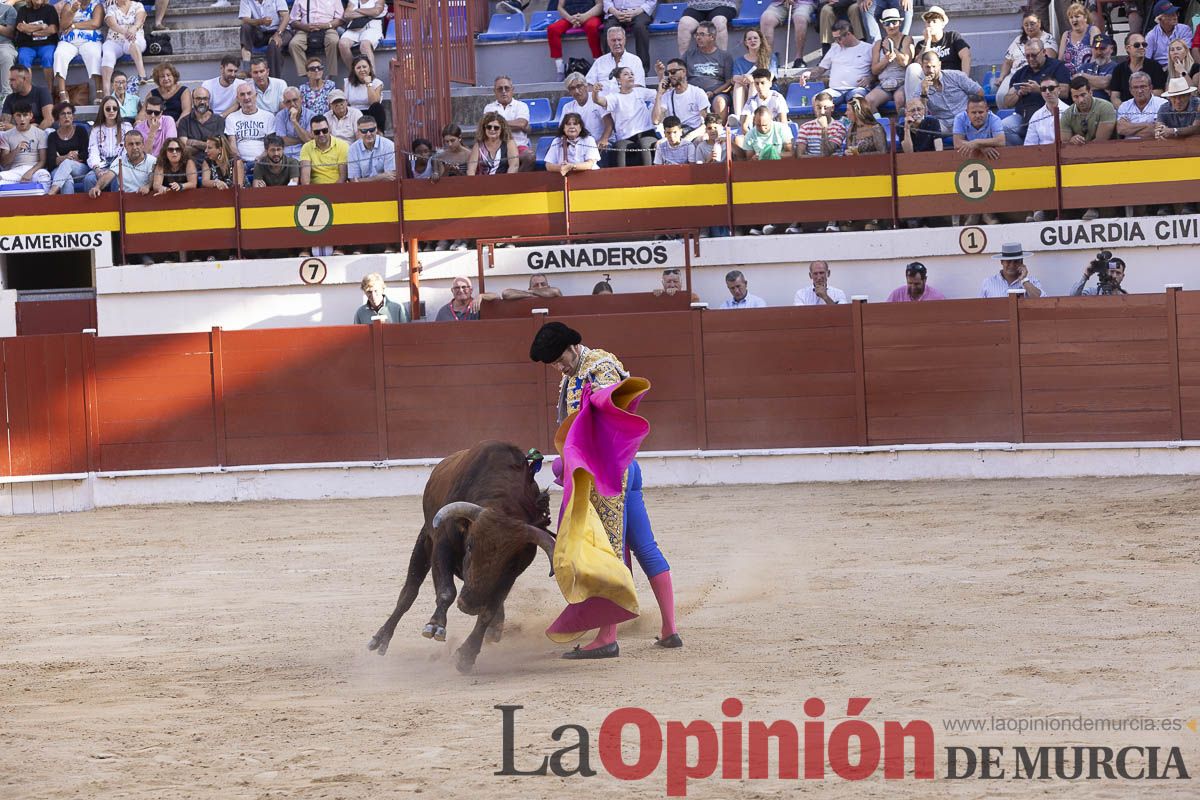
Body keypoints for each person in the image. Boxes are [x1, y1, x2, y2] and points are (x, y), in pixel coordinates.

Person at [528, 320, 681, 659]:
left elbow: (613, 409)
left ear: (572, 347)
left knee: (607, 551)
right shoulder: (571, 378)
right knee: (643, 546)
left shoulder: (600, 365)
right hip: (619, 470)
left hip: (611, 474)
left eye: (559, 359)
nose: (558, 367)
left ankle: (608, 637)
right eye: (552, 363)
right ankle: (669, 630)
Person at [1002, 39, 1070, 146]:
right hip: (1023, 115)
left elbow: (1066, 91)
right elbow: (1007, 102)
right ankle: (1023, 151)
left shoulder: (1057, 66)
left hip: (1050, 113)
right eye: (1027, 56)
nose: (1030, 59)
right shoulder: (1021, 73)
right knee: (1003, 127)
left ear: (1043, 52)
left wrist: (1039, 89)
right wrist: (1018, 93)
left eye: (1034, 55)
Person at [905, 6, 970, 105]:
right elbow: (918, 66)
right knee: (912, 68)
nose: (930, 24)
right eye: (928, 22)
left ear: (942, 24)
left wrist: (964, 80)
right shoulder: (921, 44)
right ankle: (913, 107)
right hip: (929, 83)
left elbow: (966, 56)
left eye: (934, 21)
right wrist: (927, 41)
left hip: (950, 80)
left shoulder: (952, 37)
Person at [593, 66, 657, 166]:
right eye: (626, 74)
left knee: (644, 144)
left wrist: (661, 75)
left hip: (646, 133)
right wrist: (595, 93)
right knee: (619, 147)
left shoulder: (640, 91)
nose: (630, 76)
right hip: (626, 137)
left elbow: (660, 95)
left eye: (632, 74)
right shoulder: (615, 97)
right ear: (619, 80)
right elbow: (599, 101)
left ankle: (648, 177)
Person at [800, 20, 874, 104]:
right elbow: (821, 68)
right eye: (834, 39)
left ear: (849, 34)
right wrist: (809, 74)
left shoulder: (868, 48)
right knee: (817, 100)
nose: (837, 41)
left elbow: (878, 71)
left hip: (857, 89)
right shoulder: (834, 48)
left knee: (857, 100)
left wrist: (870, 78)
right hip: (835, 90)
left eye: (839, 38)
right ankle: (823, 118)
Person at [996, 11, 1058, 102]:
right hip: (1014, 74)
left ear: (1039, 23)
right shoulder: (1018, 39)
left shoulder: (1048, 39)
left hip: (1033, 74)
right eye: (1026, 25)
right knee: (1001, 96)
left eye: (1032, 24)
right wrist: (1001, 77)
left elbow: (1048, 59)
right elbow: (1007, 61)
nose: (1029, 27)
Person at [52, 0, 104, 104]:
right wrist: (72, 11)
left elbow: (95, 23)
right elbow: (63, 25)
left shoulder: (96, 4)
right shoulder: (69, 4)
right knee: (59, 54)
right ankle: (62, 92)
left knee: (94, 54)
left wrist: (74, 26)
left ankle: (99, 91)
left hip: (90, 40)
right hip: (68, 41)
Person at [918, 50, 982, 133]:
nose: (931, 70)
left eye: (934, 66)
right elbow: (921, 114)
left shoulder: (956, 76)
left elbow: (979, 92)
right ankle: (938, 146)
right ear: (922, 67)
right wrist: (923, 93)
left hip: (965, 118)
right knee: (925, 129)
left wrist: (974, 112)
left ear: (939, 65)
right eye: (927, 67)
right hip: (943, 124)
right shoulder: (920, 87)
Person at [865, 8, 913, 113]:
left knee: (900, 99)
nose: (891, 26)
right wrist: (885, 60)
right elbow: (874, 70)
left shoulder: (907, 39)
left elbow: (905, 62)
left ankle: (902, 127)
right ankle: (881, 126)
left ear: (900, 23)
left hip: (902, 82)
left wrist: (892, 48)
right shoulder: (878, 43)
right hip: (884, 84)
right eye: (887, 23)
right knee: (868, 101)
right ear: (883, 25)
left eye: (894, 22)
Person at [683, 21, 734, 117]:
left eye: (702, 34)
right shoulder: (688, 55)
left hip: (716, 94)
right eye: (697, 34)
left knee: (719, 101)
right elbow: (680, 75)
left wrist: (713, 93)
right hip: (693, 94)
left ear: (712, 37)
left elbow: (728, 82)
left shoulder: (725, 56)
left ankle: (719, 130)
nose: (698, 37)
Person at [483, 76, 534, 171]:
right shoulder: (489, 108)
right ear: (494, 91)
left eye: (506, 88)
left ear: (512, 90)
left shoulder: (521, 106)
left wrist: (498, 123)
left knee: (529, 157)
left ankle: (518, 182)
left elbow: (522, 123)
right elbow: (490, 127)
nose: (503, 91)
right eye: (499, 89)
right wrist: (516, 125)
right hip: (496, 147)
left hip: (519, 146)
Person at [562, 72, 613, 161]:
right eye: (572, 88)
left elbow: (609, 123)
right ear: (569, 91)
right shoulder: (567, 107)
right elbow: (563, 130)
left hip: (602, 142)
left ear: (586, 86)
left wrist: (603, 139)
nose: (577, 91)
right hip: (581, 145)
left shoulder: (597, 99)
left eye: (579, 86)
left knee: (603, 151)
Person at [83, 94, 128, 194]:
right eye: (108, 109)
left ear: (118, 110)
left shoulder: (126, 127)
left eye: (114, 108)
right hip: (101, 165)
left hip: (120, 165)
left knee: (116, 178)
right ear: (102, 110)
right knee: (88, 179)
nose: (111, 111)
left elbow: (126, 152)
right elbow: (93, 152)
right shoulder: (95, 130)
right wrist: (97, 169)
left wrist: (113, 169)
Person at [284, 0, 342, 78]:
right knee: (294, 44)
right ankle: (307, 75)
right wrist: (304, 26)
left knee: (334, 41)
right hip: (305, 29)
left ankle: (330, 75)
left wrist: (326, 25)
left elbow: (340, 19)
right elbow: (293, 21)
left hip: (328, 28)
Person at [0, 101, 51, 190]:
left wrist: (30, 172)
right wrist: (16, 150)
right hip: (15, 171)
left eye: (25, 115)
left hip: (35, 169)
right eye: (18, 115)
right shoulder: (6, 135)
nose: (22, 119)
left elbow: (43, 161)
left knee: (44, 177)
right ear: (14, 117)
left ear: (31, 115)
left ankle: (43, 203)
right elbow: (4, 163)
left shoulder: (40, 134)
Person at [99, 0, 145, 97]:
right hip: (115, 39)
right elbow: (112, 24)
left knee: (133, 43)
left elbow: (140, 20)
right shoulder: (111, 7)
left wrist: (134, 29)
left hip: (134, 37)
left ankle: (142, 76)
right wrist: (126, 31)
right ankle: (106, 93)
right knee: (107, 52)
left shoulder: (137, 5)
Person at [548, 0, 603, 81]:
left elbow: (600, 5)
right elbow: (560, 7)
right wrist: (570, 18)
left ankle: (597, 63)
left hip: (590, 15)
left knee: (591, 27)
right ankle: (560, 69)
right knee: (552, 29)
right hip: (571, 17)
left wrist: (584, 16)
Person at [225, 81, 274, 170]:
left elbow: (271, 144)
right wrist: (240, 161)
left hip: (264, 161)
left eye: (249, 93)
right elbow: (232, 144)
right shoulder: (231, 118)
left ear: (256, 95)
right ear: (237, 99)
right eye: (242, 94)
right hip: (241, 163)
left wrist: (260, 159)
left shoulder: (269, 117)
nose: (246, 97)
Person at [652, 58, 709, 133]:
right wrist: (659, 94)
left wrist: (689, 137)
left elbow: (707, 122)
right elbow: (656, 120)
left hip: (695, 134)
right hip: (676, 135)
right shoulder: (667, 95)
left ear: (684, 72)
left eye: (673, 72)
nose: (670, 76)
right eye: (667, 73)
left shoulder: (697, 92)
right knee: (658, 144)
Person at [1110, 32, 1167, 105]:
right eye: (1137, 45)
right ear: (1128, 48)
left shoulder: (1155, 67)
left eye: (1144, 44)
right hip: (1125, 112)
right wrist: (1124, 110)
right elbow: (1115, 96)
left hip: (1150, 111)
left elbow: (1158, 93)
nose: (1141, 47)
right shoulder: (1119, 69)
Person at [44, 100, 89, 194]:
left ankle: (51, 192)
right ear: (57, 118)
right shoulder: (52, 136)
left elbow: (86, 154)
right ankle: (70, 208)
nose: (66, 116)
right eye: (63, 114)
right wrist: (66, 157)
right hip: (58, 170)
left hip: (79, 169)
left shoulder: (81, 131)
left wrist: (69, 158)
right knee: (67, 179)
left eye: (69, 113)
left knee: (68, 163)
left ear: (73, 116)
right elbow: (51, 162)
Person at [585, 25, 646, 93]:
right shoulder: (599, 61)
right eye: (613, 40)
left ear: (624, 40)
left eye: (619, 40)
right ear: (608, 42)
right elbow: (588, 84)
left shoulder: (635, 60)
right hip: (603, 101)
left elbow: (639, 86)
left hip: (628, 101)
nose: (617, 43)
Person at [731, 29, 777, 116]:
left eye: (755, 38)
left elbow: (771, 76)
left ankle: (751, 114)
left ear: (760, 41)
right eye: (749, 39)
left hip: (765, 88)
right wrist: (745, 77)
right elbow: (734, 77)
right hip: (745, 89)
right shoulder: (739, 61)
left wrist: (753, 78)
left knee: (754, 83)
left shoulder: (770, 57)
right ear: (745, 43)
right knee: (738, 84)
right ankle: (739, 117)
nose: (752, 41)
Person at [14, 0, 58, 91]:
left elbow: (53, 29)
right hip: (27, 45)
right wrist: (41, 26)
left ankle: (49, 91)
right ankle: (28, 91)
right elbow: (20, 27)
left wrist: (31, 32)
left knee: (48, 57)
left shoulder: (50, 9)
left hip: (47, 44)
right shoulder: (23, 10)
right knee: (23, 58)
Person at [237, 0, 287, 77]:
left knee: (274, 44)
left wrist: (278, 34)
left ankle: (274, 79)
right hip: (260, 31)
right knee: (245, 27)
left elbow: (286, 17)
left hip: (279, 30)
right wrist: (260, 21)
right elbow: (245, 19)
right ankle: (246, 68)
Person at [177, 86, 224, 166]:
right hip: (190, 165)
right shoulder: (184, 121)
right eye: (198, 99)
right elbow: (184, 149)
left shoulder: (219, 120)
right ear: (193, 100)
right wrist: (209, 146)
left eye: (205, 99)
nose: (202, 102)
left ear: (209, 101)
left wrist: (194, 142)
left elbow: (220, 148)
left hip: (214, 165)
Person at [337, 0, 386, 75]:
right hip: (355, 27)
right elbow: (347, 15)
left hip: (372, 27)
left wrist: (358, 10)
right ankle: (355, 76)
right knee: (342, 44)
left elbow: (376, 11)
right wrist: (368, 13)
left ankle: (371, 78)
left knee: (365, 44)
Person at [602, 0, 653, 72]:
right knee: (609, 29)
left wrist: (634, 13)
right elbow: (607, 1)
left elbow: (651, 1)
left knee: (640, 28)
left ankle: (642, 70)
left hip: (639, 12)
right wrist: (616, 13)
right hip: (616, 12)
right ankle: (610, 70)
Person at [979, 242, 1045, 298]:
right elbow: (980, 307)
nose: (1012, 265)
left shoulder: (1033, 281)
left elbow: (1042, 301)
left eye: (1016, 261)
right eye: (1008, 261)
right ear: (1002, 262)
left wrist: (1024, 280)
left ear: (1021, 263)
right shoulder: (988, 283)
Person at [760, 0, 814, 66]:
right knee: (766, 19)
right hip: (779, 3)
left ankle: (799, 58)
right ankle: (767, 59)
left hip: (803, 3)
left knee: (800, 18)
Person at [1117, 71, 1167, 139]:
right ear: (1130, 90)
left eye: (1143, 86)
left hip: (1154, 146)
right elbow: (1121, 129)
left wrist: (1130, 127)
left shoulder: (1162, 104)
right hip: (1129, 147)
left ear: (1151, 88)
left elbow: (1158, 131)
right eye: (1135, 87)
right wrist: (1148, 125)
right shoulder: (1124, 106)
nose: (1139, 91)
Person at [466, 111, 519, 175]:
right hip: (482, 182)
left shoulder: (509, 143)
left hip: (503, 181)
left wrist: (506, 182)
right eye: (489, 127)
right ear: (484, 128)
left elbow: (514, 166)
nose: (492, 130)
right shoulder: (478, 145)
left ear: (502, 129)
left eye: (496, 128)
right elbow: (471, 169)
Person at [299, 114, 347, 184]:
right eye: (317, 132)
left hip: (337, 189)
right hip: (315, 192)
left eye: (324, 130)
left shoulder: (342, 145)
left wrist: (330, 193)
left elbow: (343, 177)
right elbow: (305, 178)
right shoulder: (306, 147)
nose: (321, 134)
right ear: (311, 133)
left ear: (329, 129)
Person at [1145, 0, 1192, 68]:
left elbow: (1186, 53)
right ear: (1159, 18)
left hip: (1182, 66)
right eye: (1170, 14)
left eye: (1176, 13)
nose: (1175, 16)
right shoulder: (1151, 35)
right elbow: (1147, 59)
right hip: (1160, 70)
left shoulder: (1184, 29)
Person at [347, 114, 395, 180]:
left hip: (385, 188)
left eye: (372, 130)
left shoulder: (389, 145)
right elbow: (354, 181)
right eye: (364, 131)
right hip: (361, 189)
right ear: (358, 132)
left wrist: (363, 180)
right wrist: (379, 177)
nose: (368, 134)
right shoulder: (353, 149)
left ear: (376, 129)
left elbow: (391, 177)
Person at [345, 54, 385, 133]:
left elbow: (374, 102)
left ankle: (378, 133)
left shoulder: (377, 83)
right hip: (354, 114)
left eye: (364, 67)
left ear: (369, 68)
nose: (362, 70)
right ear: (354, 70)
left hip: (371, 114)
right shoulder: (347, 83)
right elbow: (345, 103)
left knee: (377, 107)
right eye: (358, 68)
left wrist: (368, 84)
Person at [1058, 2, 1100, 76]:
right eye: (1071, 17)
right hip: (1068, 78)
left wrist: (1084, 74)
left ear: (1085, 18)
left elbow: (1096, 54)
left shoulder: (1093, 30)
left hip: (1089, 76)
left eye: (1077, 16)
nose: (1074, 20)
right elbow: (1060, 60)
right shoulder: (1066, 35)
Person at [274, 86, 312, 159]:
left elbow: (308, 140)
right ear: (284, 103)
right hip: (285, 154)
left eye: (295, 100)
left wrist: (294, 121)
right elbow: (282, 140)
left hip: (304, 153)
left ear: (301, 99)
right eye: (288, 101)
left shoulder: (311, 115)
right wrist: (301, 139)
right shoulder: (280, 115)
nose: (292, 104)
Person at [1080, 33, 1117, 102]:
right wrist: (1101, 87)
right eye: (1096, 48)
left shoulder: (1115, 67)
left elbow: (1105, 82)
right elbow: (1077, 86)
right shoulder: (1084, 67)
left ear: (1111, 49)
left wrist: (1082, 75)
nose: (1099, 52)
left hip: (1106, 107)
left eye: (1102, 48)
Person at [116, 127, 154, 193]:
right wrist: (98, 186)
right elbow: (109, 175)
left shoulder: (152, 160)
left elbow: (155, 178)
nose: (134, 147)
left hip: (146, 198)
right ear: (125, 146)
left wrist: (148, 186)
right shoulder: (119, 160)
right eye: (131, 144)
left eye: (137, 143)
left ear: (143, 144)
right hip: (126, 198)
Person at [0, 5, 16, 109]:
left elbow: (11, 33)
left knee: (6, 55)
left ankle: (7, 97)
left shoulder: (8, 9)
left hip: (3, 44)